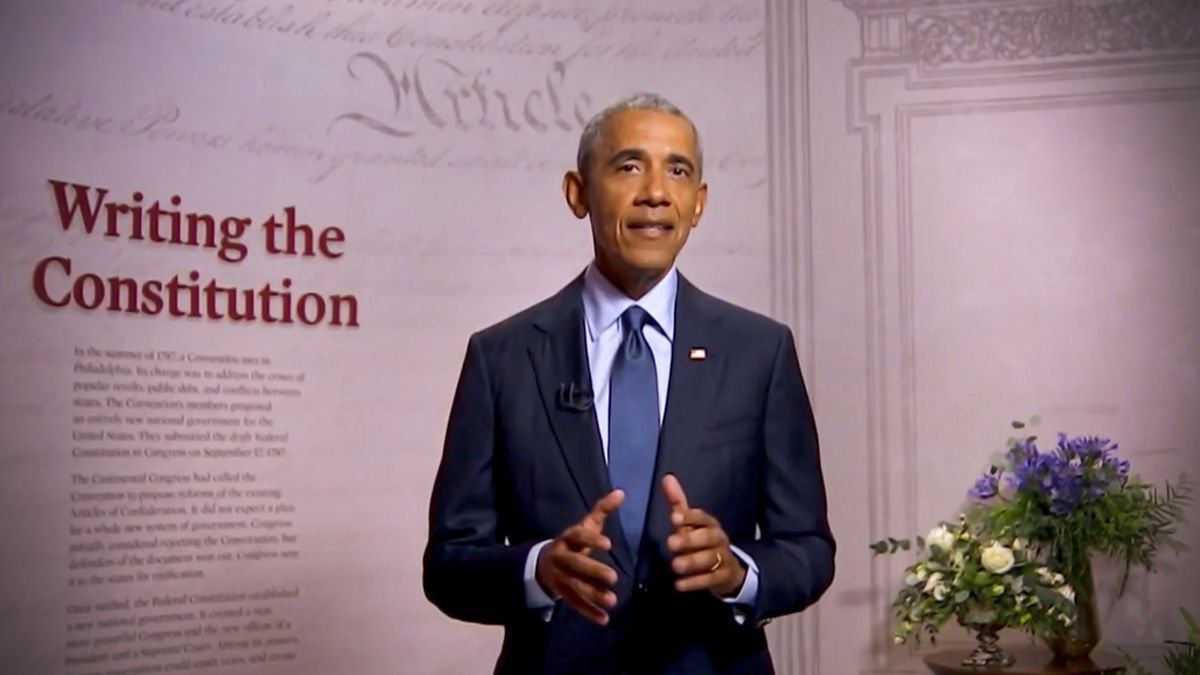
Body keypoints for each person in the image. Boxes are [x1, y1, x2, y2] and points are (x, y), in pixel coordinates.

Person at [423, 93, 835, 675]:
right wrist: (539, 570)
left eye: (678, 171)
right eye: (629, 166)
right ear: (578, 192)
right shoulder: (503, 357)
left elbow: (809, 549)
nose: (656, 193)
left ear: (698, 204)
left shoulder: (760, 352)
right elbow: (448, 564)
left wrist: (737, 571)